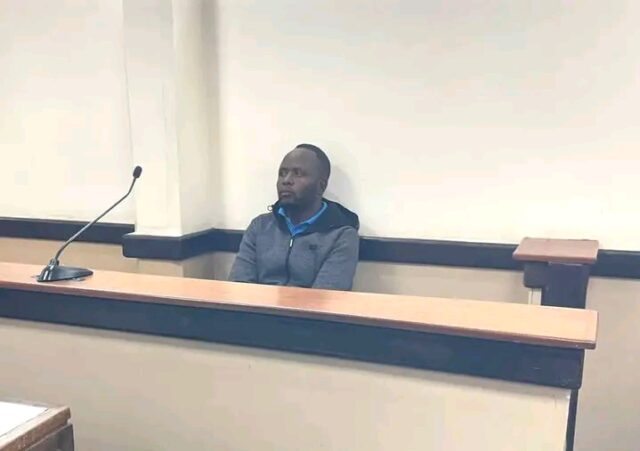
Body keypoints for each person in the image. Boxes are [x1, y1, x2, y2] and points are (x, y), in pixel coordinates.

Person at [230, 144, 360, 290]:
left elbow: (326, 296)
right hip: (256, 304)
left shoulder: (341, 235)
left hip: (310, 305)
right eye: (282, 173)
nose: (286, 180)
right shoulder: (260, 226)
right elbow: (240, 286)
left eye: (298, 174)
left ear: (321, 186)